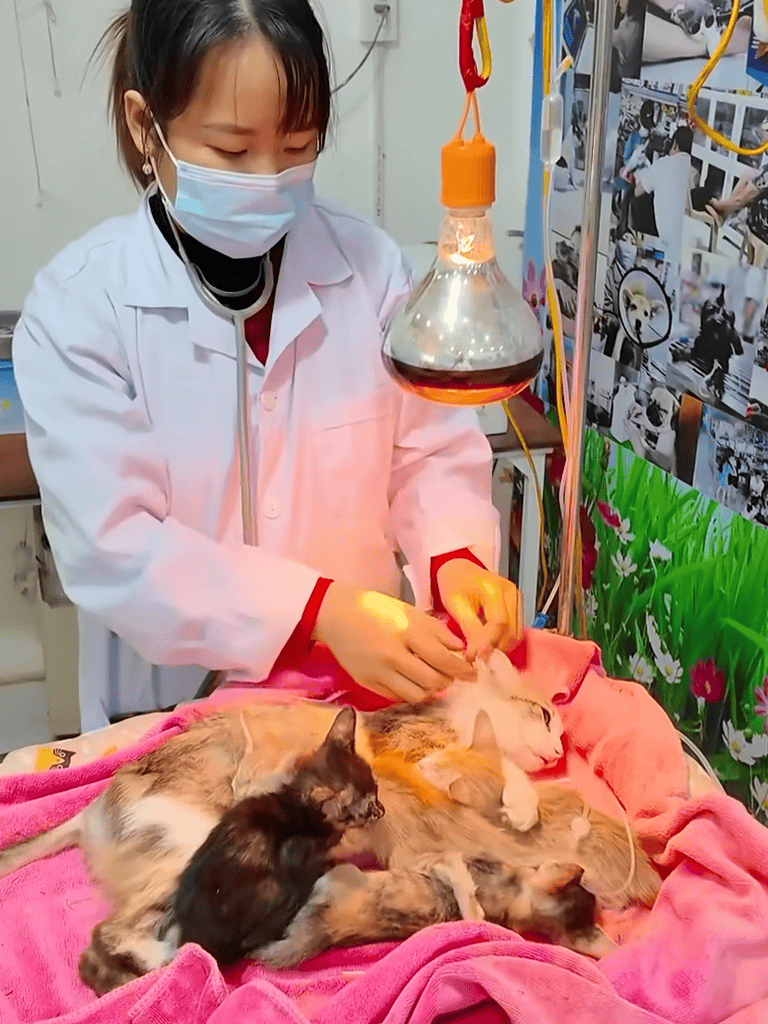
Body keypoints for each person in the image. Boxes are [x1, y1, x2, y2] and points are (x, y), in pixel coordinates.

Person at [12, 0, 523, 732]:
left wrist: (454, 559)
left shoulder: (368, 269)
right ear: (143, 125)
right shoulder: (80, 309)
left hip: (360, 705)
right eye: (231, 150)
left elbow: (429, 454)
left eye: (297, 147)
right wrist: (317, 611)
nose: (268, 177)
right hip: (172, 711)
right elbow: (115, 547)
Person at [633, 125, 693, 261]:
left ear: (675, 145)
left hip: (665, 239)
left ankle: (642, 246)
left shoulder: (663, 163)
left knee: (642, 196)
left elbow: (637, 191)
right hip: (687, 241)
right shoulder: (693, 170)